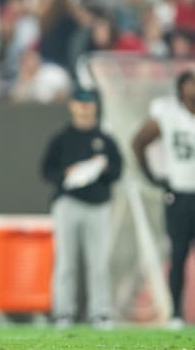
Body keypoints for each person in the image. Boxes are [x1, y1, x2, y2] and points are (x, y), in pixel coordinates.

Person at [41, 89, 122, 329]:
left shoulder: (105, 140)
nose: (85, 108)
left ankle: (101, 312)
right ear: (72, 106)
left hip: (98, 206)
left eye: (89, 104)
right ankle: (63, 312)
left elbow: (117, 170)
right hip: (68, 203)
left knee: (98, 262)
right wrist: (67, 176)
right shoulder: (61, 138)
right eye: (80, 103)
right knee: (66, 261)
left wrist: (100, 170)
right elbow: (46, 170)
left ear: (95, 107)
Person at [132, 70, 195, 330]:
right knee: (178, 255)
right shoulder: (167, 114)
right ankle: (176, 314)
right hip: (179, 193)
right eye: (190, 85)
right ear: (180, 89)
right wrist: (153, 177)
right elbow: (138, 142)